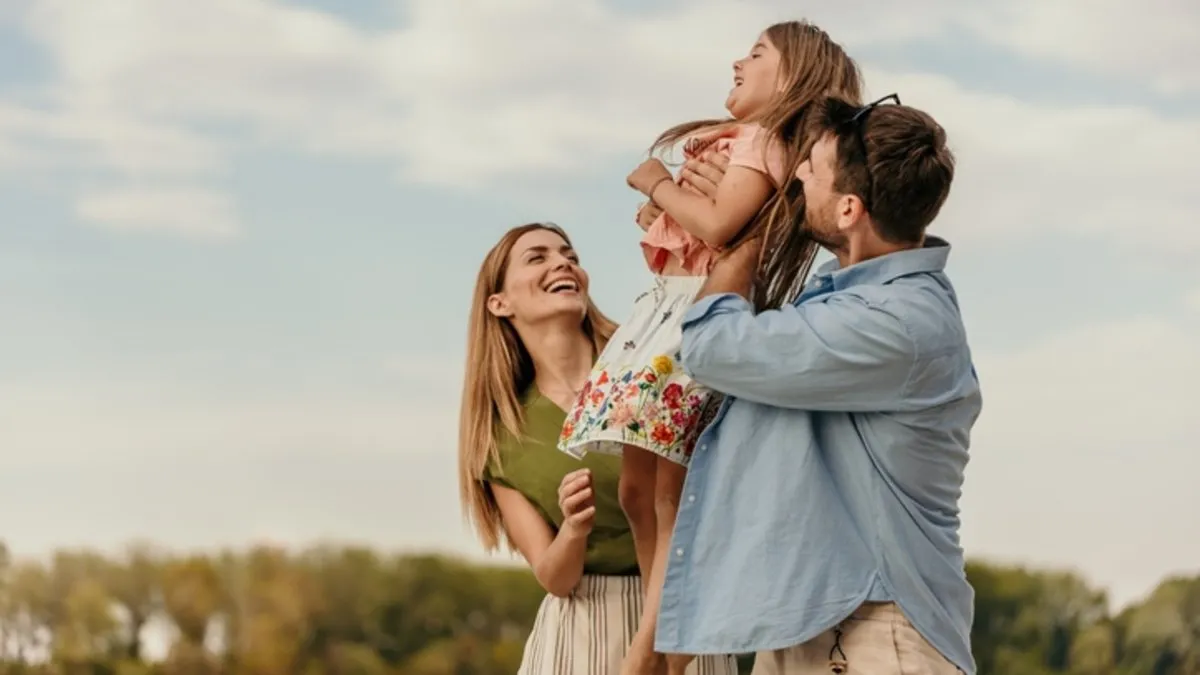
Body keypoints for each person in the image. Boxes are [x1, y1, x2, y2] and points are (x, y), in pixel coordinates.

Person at [557, 21, 862, 675]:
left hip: (688, 324)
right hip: (668, 313)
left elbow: (722, 225)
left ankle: (651, 654)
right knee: (640, 491)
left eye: (756, 54)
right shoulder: (747, 144)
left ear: (792, 77)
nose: (737, 61)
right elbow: (711, 227)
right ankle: (661, 633)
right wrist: (670, 211)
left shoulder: (761, 139)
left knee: (667, 496)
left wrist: (656, 185)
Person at [655, 95, 981, 675]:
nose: (796, 174)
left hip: (878, 634)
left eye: (812, 168)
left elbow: (713, 346)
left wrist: (750, 232)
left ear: (851, 208)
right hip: (818, 623)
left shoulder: (895, 323)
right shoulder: (852, 300)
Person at [458, 222, 738, 675]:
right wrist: (572, 528)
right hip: (580, 633)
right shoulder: (500, 437)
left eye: (569, 255)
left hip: (679, 614)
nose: (562, 263)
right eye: (538, 257)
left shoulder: (652, 363)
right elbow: (554, 578)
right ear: (499, 303)